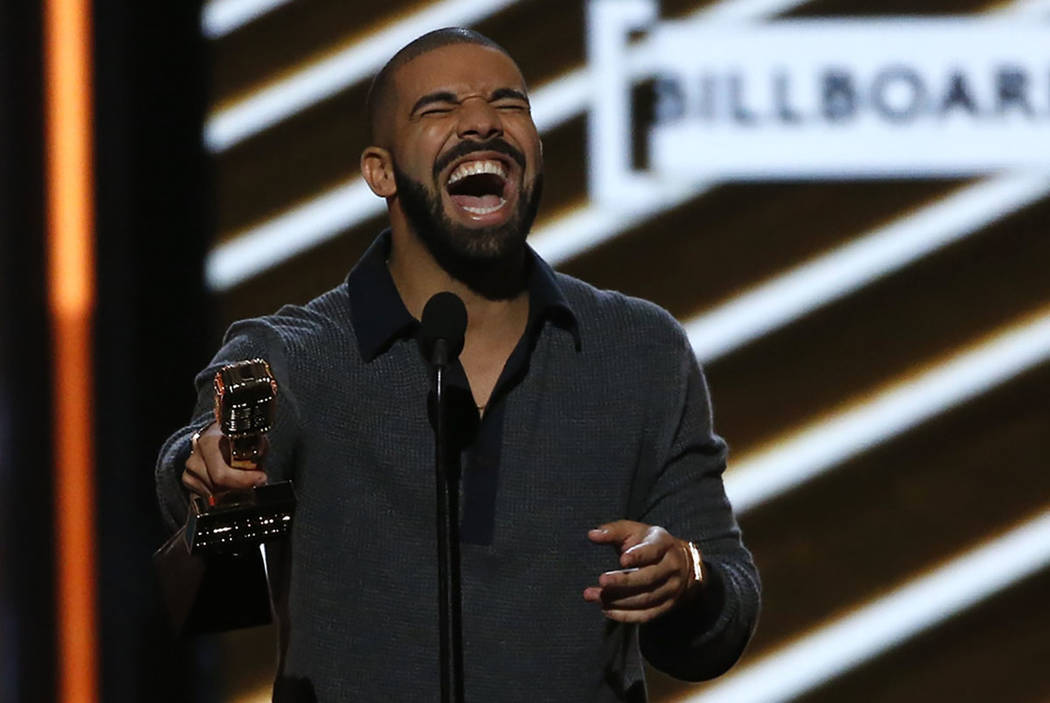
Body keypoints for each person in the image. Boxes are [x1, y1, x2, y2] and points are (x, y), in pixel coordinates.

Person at [156, 27, 759, 702]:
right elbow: (199, 459)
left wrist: (688, 575)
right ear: (381, 172)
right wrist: (203, 469)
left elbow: (723, 615)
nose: (482, 122)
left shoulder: (640, 348)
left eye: (509, 104)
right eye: (439, 107)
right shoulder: (297, 353)